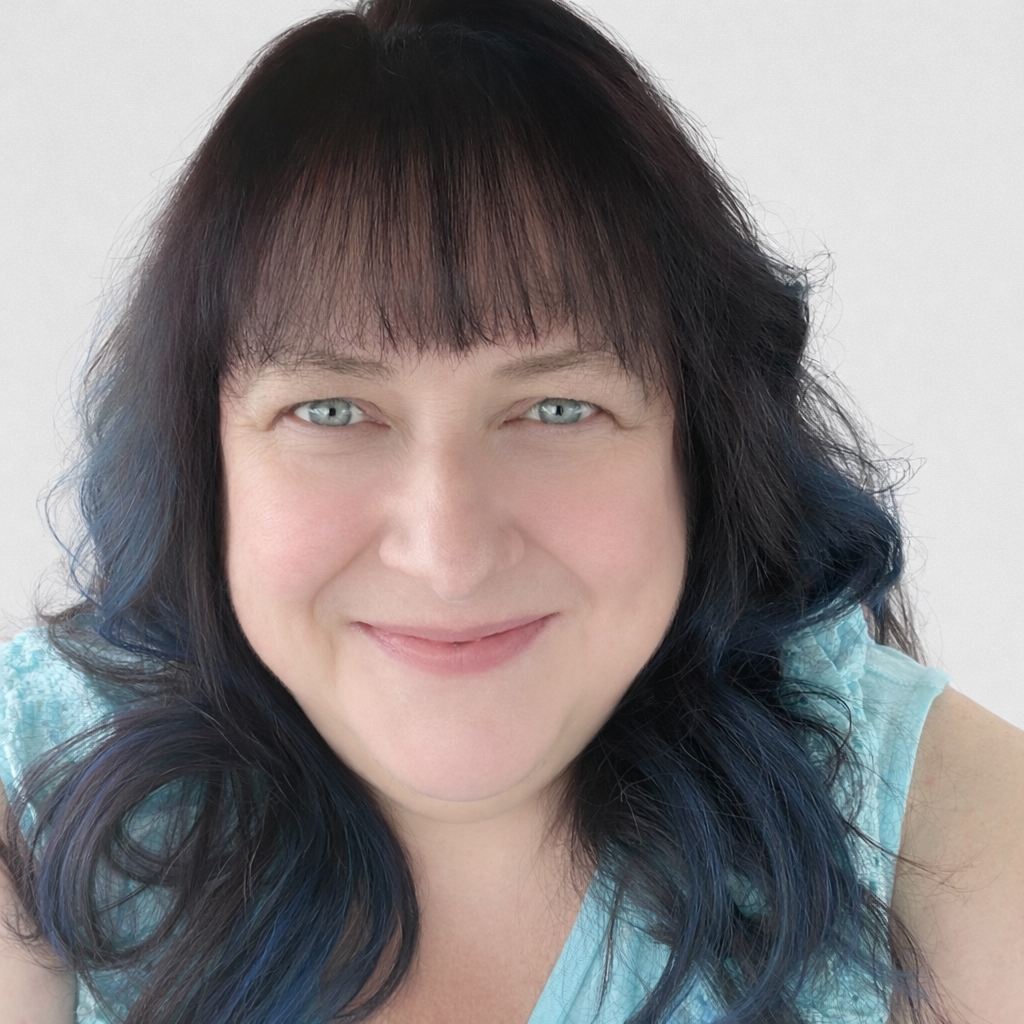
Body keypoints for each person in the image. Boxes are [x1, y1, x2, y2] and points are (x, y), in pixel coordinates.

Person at [1, 0, 1021, 1021]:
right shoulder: (35, 807)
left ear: (699, 448)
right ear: (204, 459)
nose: (447, 551)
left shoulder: (933, 832)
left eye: (557, 408)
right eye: (331, 410)